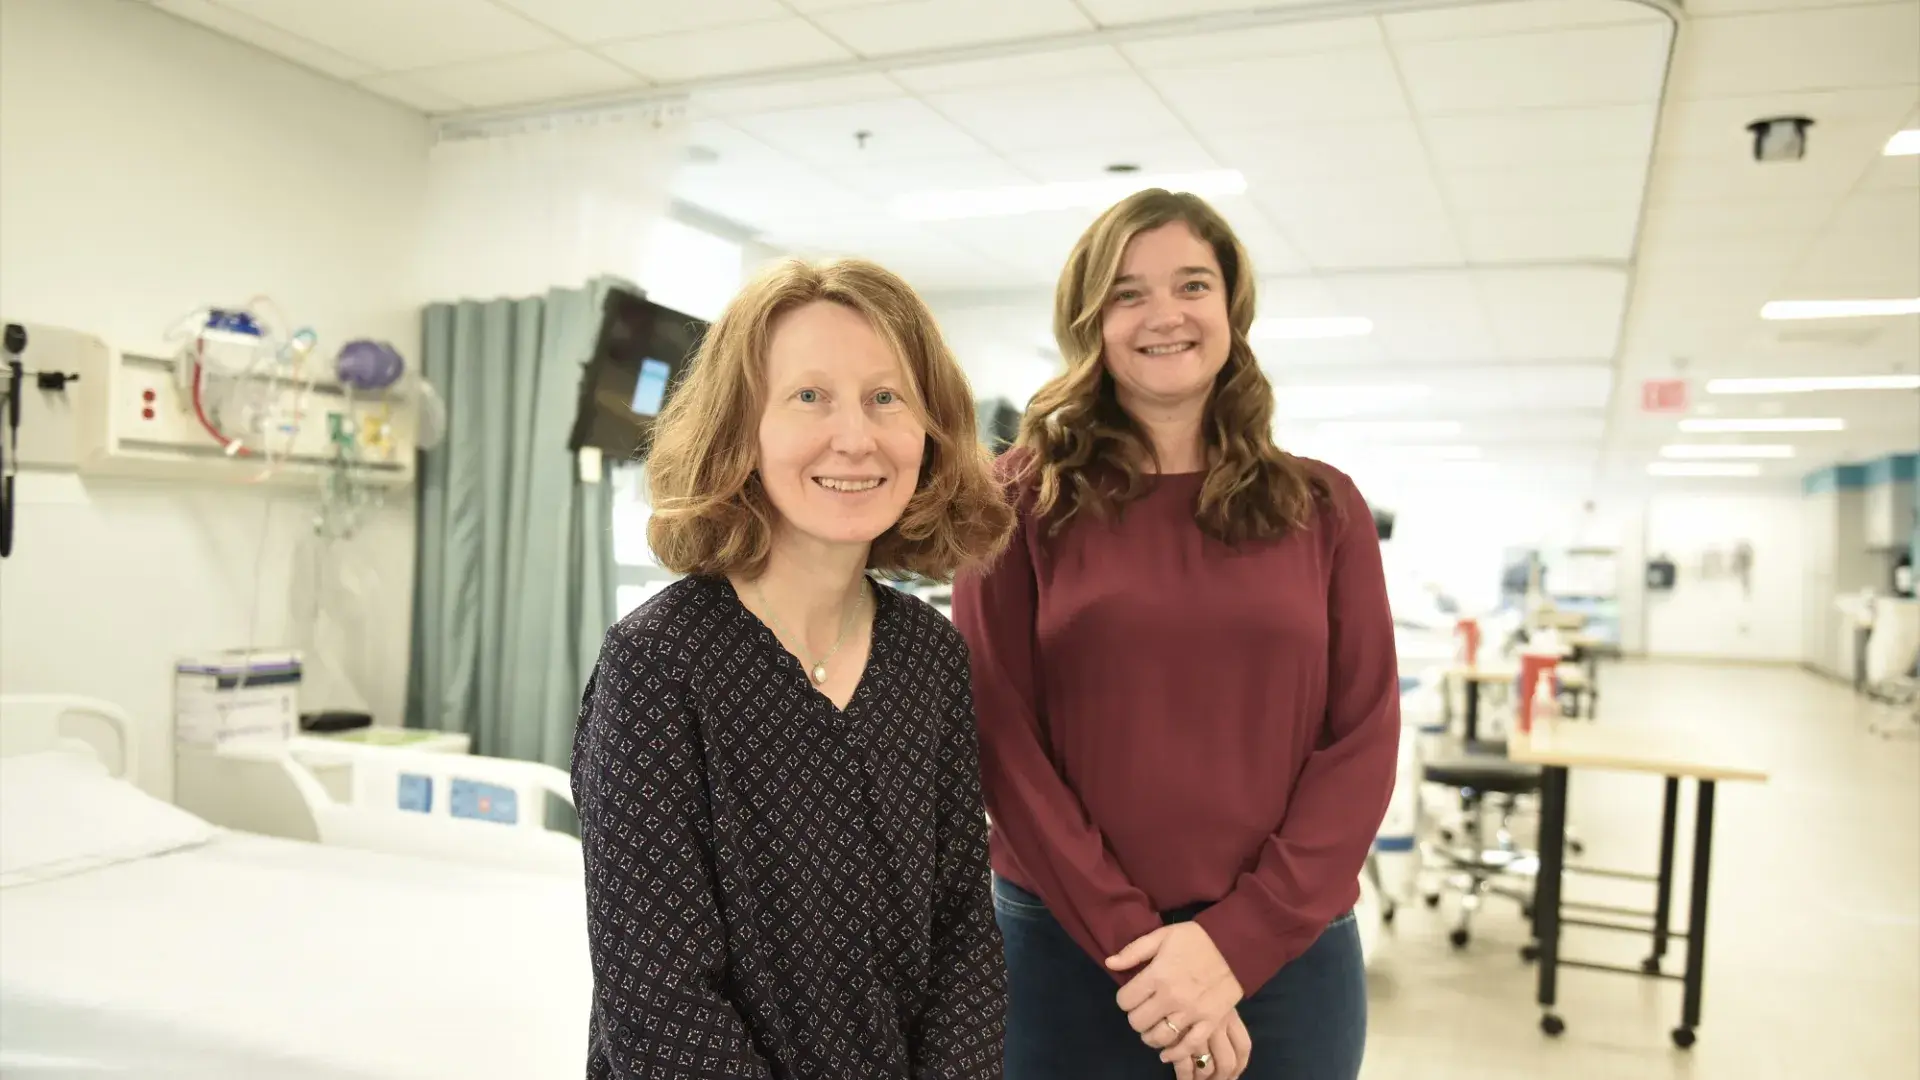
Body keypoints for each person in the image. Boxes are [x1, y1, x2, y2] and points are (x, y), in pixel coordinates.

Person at [950, 189, 1400, 1080]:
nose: (1164, 315)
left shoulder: (1324, 508)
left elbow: (1364, 737)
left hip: (1287, 956)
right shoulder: (1018, 499)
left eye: (1191, 284)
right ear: (1091, 322)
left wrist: (1236, 943)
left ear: (1231, 306)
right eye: (1127, 293)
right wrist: (1144, 951)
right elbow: (1001, 736)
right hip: (1070, 953)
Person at [571, 257, 1017, 1079]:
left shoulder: (928, 657)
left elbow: (963, 930)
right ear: (741, 431)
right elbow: (660, 1001)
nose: (856, 436)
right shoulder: (659, 668)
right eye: (809, 396)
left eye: (887, 398)